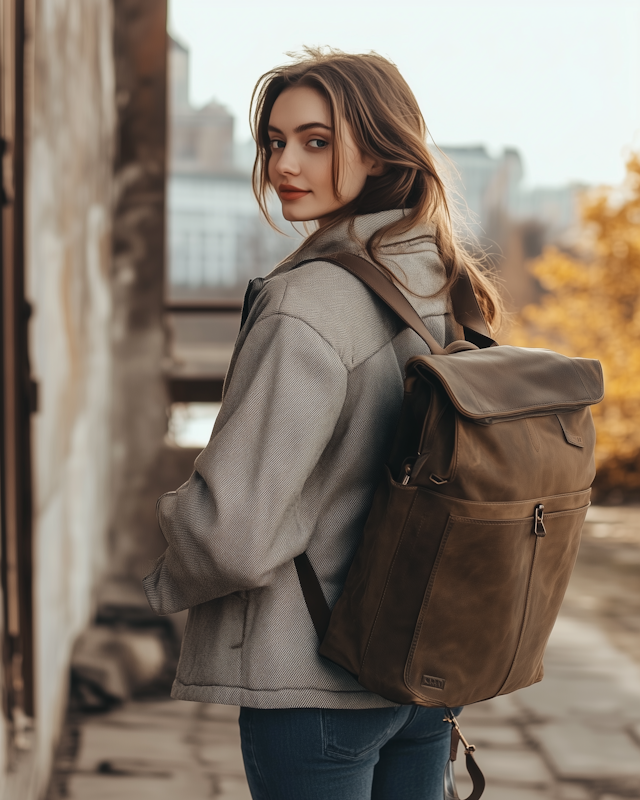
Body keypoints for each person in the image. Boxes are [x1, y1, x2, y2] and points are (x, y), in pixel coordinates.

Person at [144, 47, 502, 800]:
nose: (285, 164)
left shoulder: (306, 306)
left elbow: (233, 534)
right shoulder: (440, 278)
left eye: (316, 140)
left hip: (313, 683)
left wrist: (166, 551)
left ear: (379, 152)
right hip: (423, 672)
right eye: (275, 141)